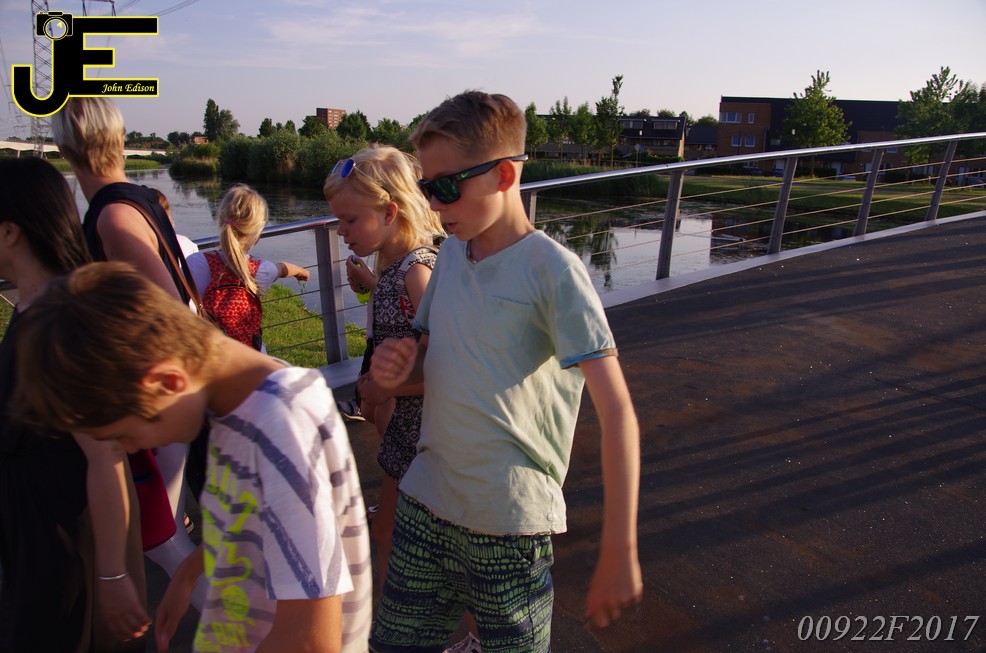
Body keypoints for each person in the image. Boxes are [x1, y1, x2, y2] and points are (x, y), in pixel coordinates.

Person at [368, 91, 644, 652]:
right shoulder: (450, 254)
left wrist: (620, 547)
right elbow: (433, 353)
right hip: (426, 502)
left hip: (508, 524)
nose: (434, 204)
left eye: (447, 186)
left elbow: (617, 412)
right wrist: (399, 365)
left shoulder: (553, 272)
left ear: (503, 175)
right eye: (426, 187)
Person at [13, 262, 373, 653]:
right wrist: (189, 571)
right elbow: (256, 517)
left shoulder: (280, 425)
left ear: (167, 382)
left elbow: (311, 640)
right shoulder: (236, 403)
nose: (130, 449)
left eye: (124, 436)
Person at [51, 96, 203, 617]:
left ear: (66, 150)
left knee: (161, 537)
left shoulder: (112, 217)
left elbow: (171, 312)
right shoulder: (137, 200)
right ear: (118, 139)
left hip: (159, 399)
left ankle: (247, 635)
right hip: (173, 393)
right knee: (167, 532)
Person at [0, 157, 146, 652]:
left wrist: (112, 575)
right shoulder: (36, 305)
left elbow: (105, 457)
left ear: (10, 232)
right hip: (35, 530)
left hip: (59, 542)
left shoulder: (58, 320)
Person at [323, 144, 444, 596]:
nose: (341, 230)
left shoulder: (417, 271)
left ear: (390, 212)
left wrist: (385, 389)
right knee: (393, 533)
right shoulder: (397, 266)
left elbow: (449, 366)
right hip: (408, 433)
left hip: (423, 436)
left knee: (399, 536)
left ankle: (411, 620)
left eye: (350, 220)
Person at [186, 183, 310, 351]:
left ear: (221, 222)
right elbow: (281, 269)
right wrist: (300, 271)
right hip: (250, 355)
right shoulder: (261, 270)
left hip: (209, 354)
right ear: (256, 236)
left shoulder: (196, 263)